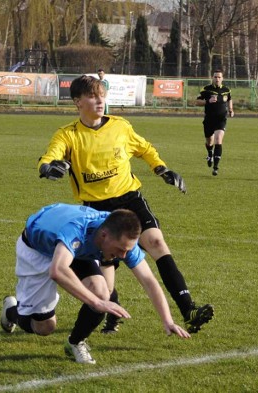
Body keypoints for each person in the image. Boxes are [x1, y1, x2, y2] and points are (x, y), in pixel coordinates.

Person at [37, 75, 214, 335]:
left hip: (130, 198)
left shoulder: (120, 126)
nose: (100, 101)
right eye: (93, 96)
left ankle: (188, 309)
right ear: (77, 102)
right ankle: (112, 312)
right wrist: (46, 167)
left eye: (102, 95)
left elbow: (144, 148)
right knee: (107, 271)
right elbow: (50, 155)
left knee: (156, 243)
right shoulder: (68, 134)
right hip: (96, 209)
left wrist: (161, 169)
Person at [0, 203, 190, 364]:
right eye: (120, 249)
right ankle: (11, 311)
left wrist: (167, 320)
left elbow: (149, 281)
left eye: (127, 251)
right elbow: (57, 271)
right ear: (104, 235)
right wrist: (96, 303)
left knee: (101, 292)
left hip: (78, 251)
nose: (123, 256)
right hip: (37, 249)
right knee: (45, 328)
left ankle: (75, 342)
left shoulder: (119, 237)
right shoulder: (77, 230)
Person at [196, 69, 234, 176]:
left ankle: (216, 167)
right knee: (209, 142)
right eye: (215, 77)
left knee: (218, 140)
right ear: (212, 78)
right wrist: (208, 101)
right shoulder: (206, 89)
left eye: (219, 77)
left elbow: (229, 99)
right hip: (209, 120)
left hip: (221, 119)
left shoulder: (226, 90)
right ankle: (209, 153)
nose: (217, 79)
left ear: (222, 78)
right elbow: (197, 102)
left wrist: (231, 109)